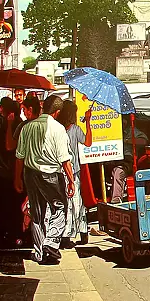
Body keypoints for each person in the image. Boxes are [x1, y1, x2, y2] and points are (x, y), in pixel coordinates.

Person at [14, 95, 75, 264]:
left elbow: (19, 156)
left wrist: (17, 179)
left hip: (30, 174)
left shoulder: (27, 127)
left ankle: (39, 252)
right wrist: (70, 181)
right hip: (51, 175)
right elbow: (64, 159)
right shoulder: (58, 129)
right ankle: (51, 242)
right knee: (60, 207)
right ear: (57, 112)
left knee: (36, 212)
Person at [0, 97, 24, 247]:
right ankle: (12, 233)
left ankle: (2, 233)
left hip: (1, 170)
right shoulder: (13, 123)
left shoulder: (0, 123)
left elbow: (8, 146)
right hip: (12, 171)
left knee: (2, 203)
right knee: (13, 205)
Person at [57, 100, 92, 247]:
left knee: (65, 204)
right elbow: (88, 142)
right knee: (77, 202)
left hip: (60, 171)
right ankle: (82, 231)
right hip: (74, 171)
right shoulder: (75, 129)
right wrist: (88, 122)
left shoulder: (57, 129)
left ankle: (66, 234)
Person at [111, 117, 148, 204]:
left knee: (118, 172)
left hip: (127, 160)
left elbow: (144, 141)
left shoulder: (131, 130)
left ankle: (116, 199)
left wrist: (127, 141)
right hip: (112, 158)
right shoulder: (111, 130)